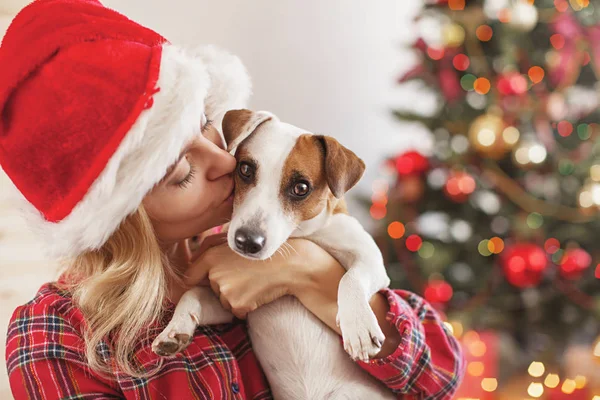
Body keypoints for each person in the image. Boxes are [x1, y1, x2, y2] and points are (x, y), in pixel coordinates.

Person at [1, 0, 464, 399]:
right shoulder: (56, 338)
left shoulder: (259, 238)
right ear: (121, 214)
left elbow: (441, 375)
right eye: (180, 171)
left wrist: (306, 272)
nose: (225, 161)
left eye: (205, 124)